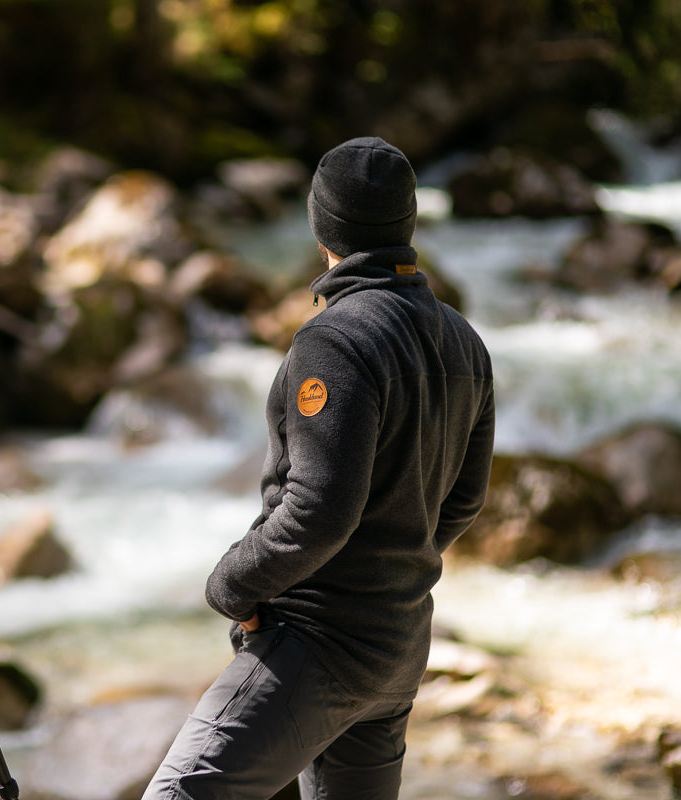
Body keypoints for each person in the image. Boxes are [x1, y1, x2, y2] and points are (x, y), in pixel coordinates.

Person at [143, 137, 496, 800]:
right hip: (397, 643)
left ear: (322, 226)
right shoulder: (464, 341)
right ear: (406, 225)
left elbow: (319, 510)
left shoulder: (334, 340)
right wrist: (394, 569)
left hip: (318, 645)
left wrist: (232, 586)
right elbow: (464, 501)